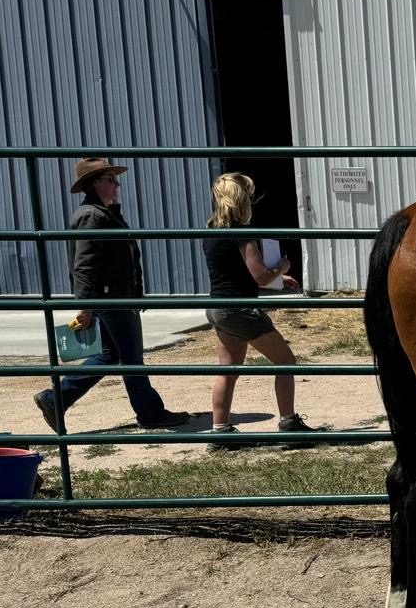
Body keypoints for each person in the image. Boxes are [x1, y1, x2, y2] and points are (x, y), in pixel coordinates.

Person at [32, 158, 189, 433]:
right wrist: (85, 305)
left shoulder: (104, 213)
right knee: (131, 358)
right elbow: (85, 264)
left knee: (110, 354)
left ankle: (55, 398)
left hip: (115, 296)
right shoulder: (93, 216)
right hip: (111, 298)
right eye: (110, 179)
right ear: (94, 183)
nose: (116, 185)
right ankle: (150, 412)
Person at [200, 172, 324, 448]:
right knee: (286, 361)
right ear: (241, 199)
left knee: (228, 370)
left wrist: (279, 280)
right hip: (241, 310)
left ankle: (220, 431)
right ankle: (289, 422)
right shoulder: (244, 235)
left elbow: (235, 275)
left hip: (219, 307)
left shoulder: (211, 233)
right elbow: (259, 276)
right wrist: (282, 268)